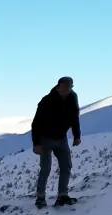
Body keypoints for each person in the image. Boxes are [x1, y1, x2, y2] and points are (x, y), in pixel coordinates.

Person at [31, 76, 81, 208]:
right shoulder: (46, 101)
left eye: (69, 87)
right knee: (46, 168)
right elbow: (36, 123)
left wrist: (77, 135)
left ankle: (62, 195)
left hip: (61, 138)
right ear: (58, 86)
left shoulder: (72, 98)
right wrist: (36, 143)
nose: (67, 90)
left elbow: (74, 117)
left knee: (66, 166)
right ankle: (40, 197)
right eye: (65, 87)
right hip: (45, 138)